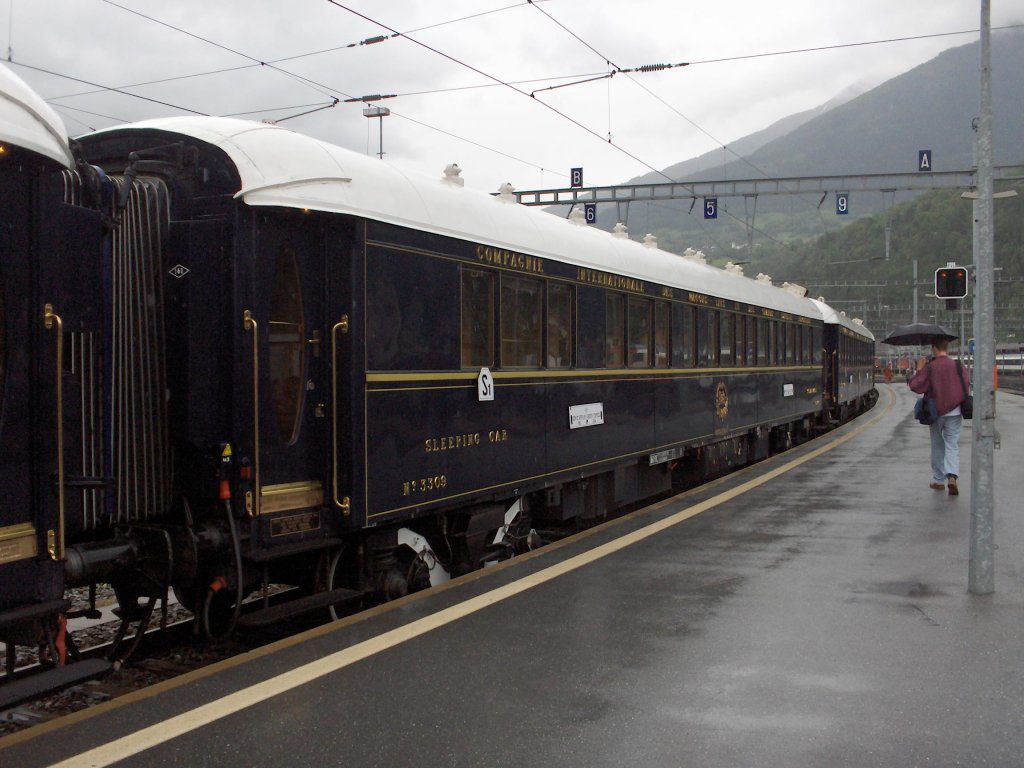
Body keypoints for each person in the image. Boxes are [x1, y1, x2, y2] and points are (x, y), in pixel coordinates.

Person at [908, 337, 971, 495]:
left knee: (937, 445)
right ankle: (952, 476)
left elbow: (915, 386)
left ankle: (938, 480)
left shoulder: (930, 367)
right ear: (947, 348)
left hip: (935, 412)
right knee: (952, 445)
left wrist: (919, 369)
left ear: (934, 348)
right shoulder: (958, 365)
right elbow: (966, 385)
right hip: (955, 412)